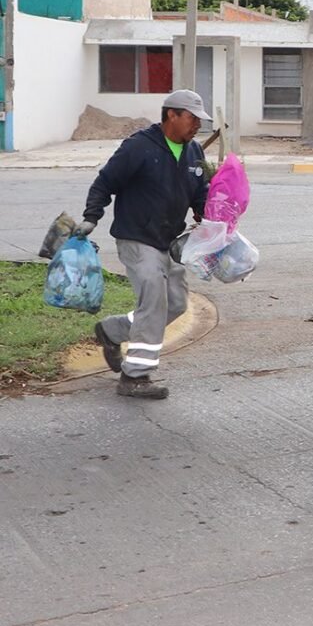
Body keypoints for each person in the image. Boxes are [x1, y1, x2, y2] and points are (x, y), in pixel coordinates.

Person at [76, 89, 211, 399]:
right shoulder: (138, 147)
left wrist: (209, 218)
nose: (197, 126)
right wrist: (91, 217)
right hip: (136, 237)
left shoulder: (194, 152)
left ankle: (112, 331)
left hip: (170, 240)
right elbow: (105, 181)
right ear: (172, 115)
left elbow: (198, 192)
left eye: (200, 121)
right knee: (153, 302)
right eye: (192, 119)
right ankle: (135, 376)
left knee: (175, 304)